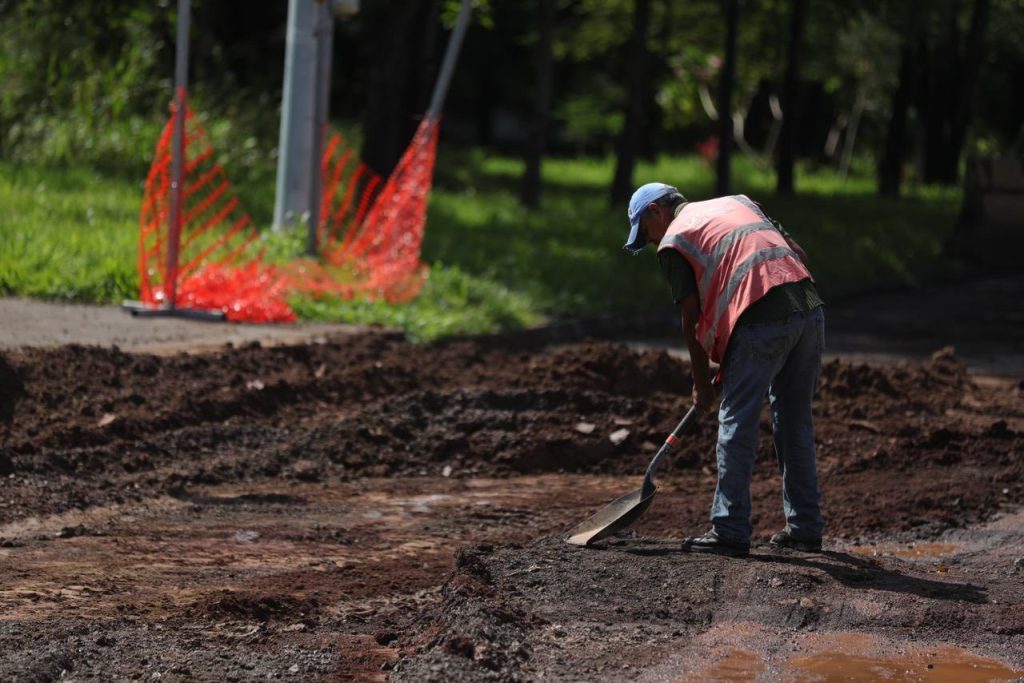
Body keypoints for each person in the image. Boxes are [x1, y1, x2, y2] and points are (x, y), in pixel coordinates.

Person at [624, 182, 825, 557]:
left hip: (760, 319)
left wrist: (701, 384)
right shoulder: (740, 202)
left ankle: (730, 528)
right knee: (794, 420)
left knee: (736, 421)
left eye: (645, 232)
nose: (651, 241)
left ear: (656, 212)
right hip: (809, 310)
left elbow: (690, 317)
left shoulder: (675, 239)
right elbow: (797, 253)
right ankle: (805, 529)